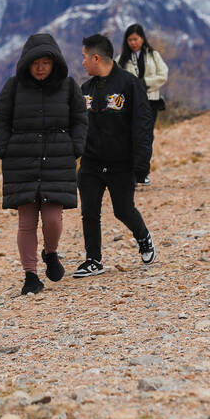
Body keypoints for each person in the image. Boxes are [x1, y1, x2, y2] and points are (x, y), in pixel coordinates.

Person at [0, 33, 88, 295]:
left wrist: (75, 147)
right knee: (26, 222)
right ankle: (30, 276)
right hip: (21, 161)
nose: (40, 67)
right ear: (27, 63)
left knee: (52, 218)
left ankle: (51, 252)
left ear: (54, 63)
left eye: (45, 62)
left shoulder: (69, 87)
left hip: (58, 160)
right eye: (36, 63)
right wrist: (4, 148)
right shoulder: (13, 87)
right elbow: (0, 120)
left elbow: (80, 119)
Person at [72, 33, 156, 278]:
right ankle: (93, 260)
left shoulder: (130, 85)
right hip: (90, 163)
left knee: (123, 210)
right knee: (89, 211)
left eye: (84, 58)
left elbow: (142, 126)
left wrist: (141, 165)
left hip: (121, 164)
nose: (83, 63)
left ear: (96, 58)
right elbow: (75, 126)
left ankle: (143, 237)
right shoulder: (84, 90)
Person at [116, 23, 169, 187]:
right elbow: (115, 79)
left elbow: (163, 75)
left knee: (145, 138)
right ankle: (129, 173)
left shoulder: (153, 55)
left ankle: (142, 172)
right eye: (130, 39)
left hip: (150, 101)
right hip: (130, 104)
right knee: (128, 137)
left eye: (136, 39)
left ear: (142, 38)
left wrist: (144, 83)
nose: (133, 42)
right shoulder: (121, 59)